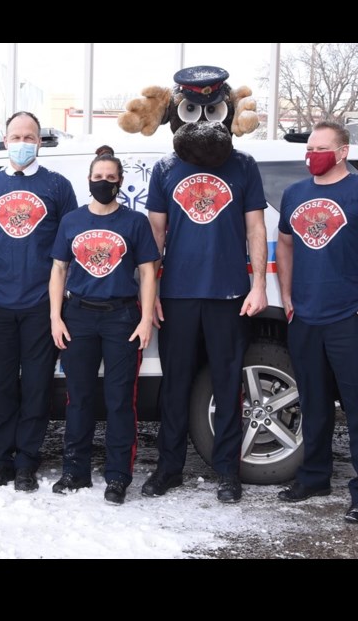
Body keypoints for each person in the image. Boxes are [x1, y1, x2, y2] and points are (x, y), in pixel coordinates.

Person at [143, 70, 268, 503]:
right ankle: (169, 467)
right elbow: (154, 236)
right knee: (174, 383)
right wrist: (151, 294)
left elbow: (256, 229)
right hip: (176, 295)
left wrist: (259, 285)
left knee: (227, 381)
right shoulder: (164, 167)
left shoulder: (244, 165)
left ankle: (227, 471)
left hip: (230, 294)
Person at [275, 121, 358, 522]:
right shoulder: (295, 193)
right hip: (305, 317)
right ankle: (314, 476)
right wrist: (287, 297)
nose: (312, 155)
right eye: (310, 147)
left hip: (351, 318)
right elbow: (285, 242)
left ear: (342, 152)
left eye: (321, 148)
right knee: (314, 405)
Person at [0, 112, 78, 491]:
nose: (22, 142)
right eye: (15, 135)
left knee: (36, 386)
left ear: (39, 142)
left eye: (29, 136)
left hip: (40, 304)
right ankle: (0, 461)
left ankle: (27, 462)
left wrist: (60, 296)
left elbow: (70, 244)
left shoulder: (58, 186)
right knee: (0, 386)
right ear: (4, 139)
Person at [49, 146, 159, 505]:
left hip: (122, 317)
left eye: (111, 178)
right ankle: (75, 471)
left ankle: (117, 476)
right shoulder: (72, 221)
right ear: (89, 181)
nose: (104, 183)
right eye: (98, 178)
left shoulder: (134, 222)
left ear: (120, 183)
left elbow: (147, 272)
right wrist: (55, 316)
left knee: (119, 400)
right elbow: (58, 270)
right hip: (78, 315)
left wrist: (145, 319)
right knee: (78, 397)